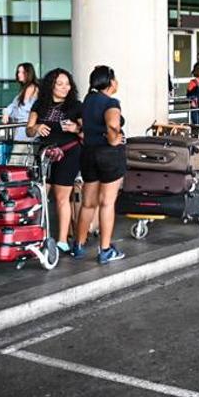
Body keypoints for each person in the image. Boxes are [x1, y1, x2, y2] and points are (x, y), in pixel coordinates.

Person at [26, 68, 83, 256]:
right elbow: (29, 130)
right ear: (51, 85)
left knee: (61, 197)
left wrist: (76, 128)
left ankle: (62, 240)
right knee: (39, 196)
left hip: (69, 153)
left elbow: (86, 131)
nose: (64, 87)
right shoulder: (39, 105)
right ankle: (37, 235)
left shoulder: (76, 106)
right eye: (60, 84)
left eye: (67, 83)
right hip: (45, 155)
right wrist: (36, 127)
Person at [75, 65, 127, 264]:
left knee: (88, 203)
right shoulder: (111, 102)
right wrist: (115, 138)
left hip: (88, 153)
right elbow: (113, 124)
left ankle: (78, 245)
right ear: (111, 82)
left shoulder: (88, 100)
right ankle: (105, 250)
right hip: (108, 155)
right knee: (107, 202)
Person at [2, 62, 39, 143]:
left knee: (18, 153)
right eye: (18, 72)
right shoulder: (25, 88)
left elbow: (21, 111)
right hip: (22, 127)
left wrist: (8, 112)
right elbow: (15, 105)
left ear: (28, 73)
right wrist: (7, 112)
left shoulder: (31, 88)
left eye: (22, 72)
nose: (19, 74)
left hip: (25, 127)